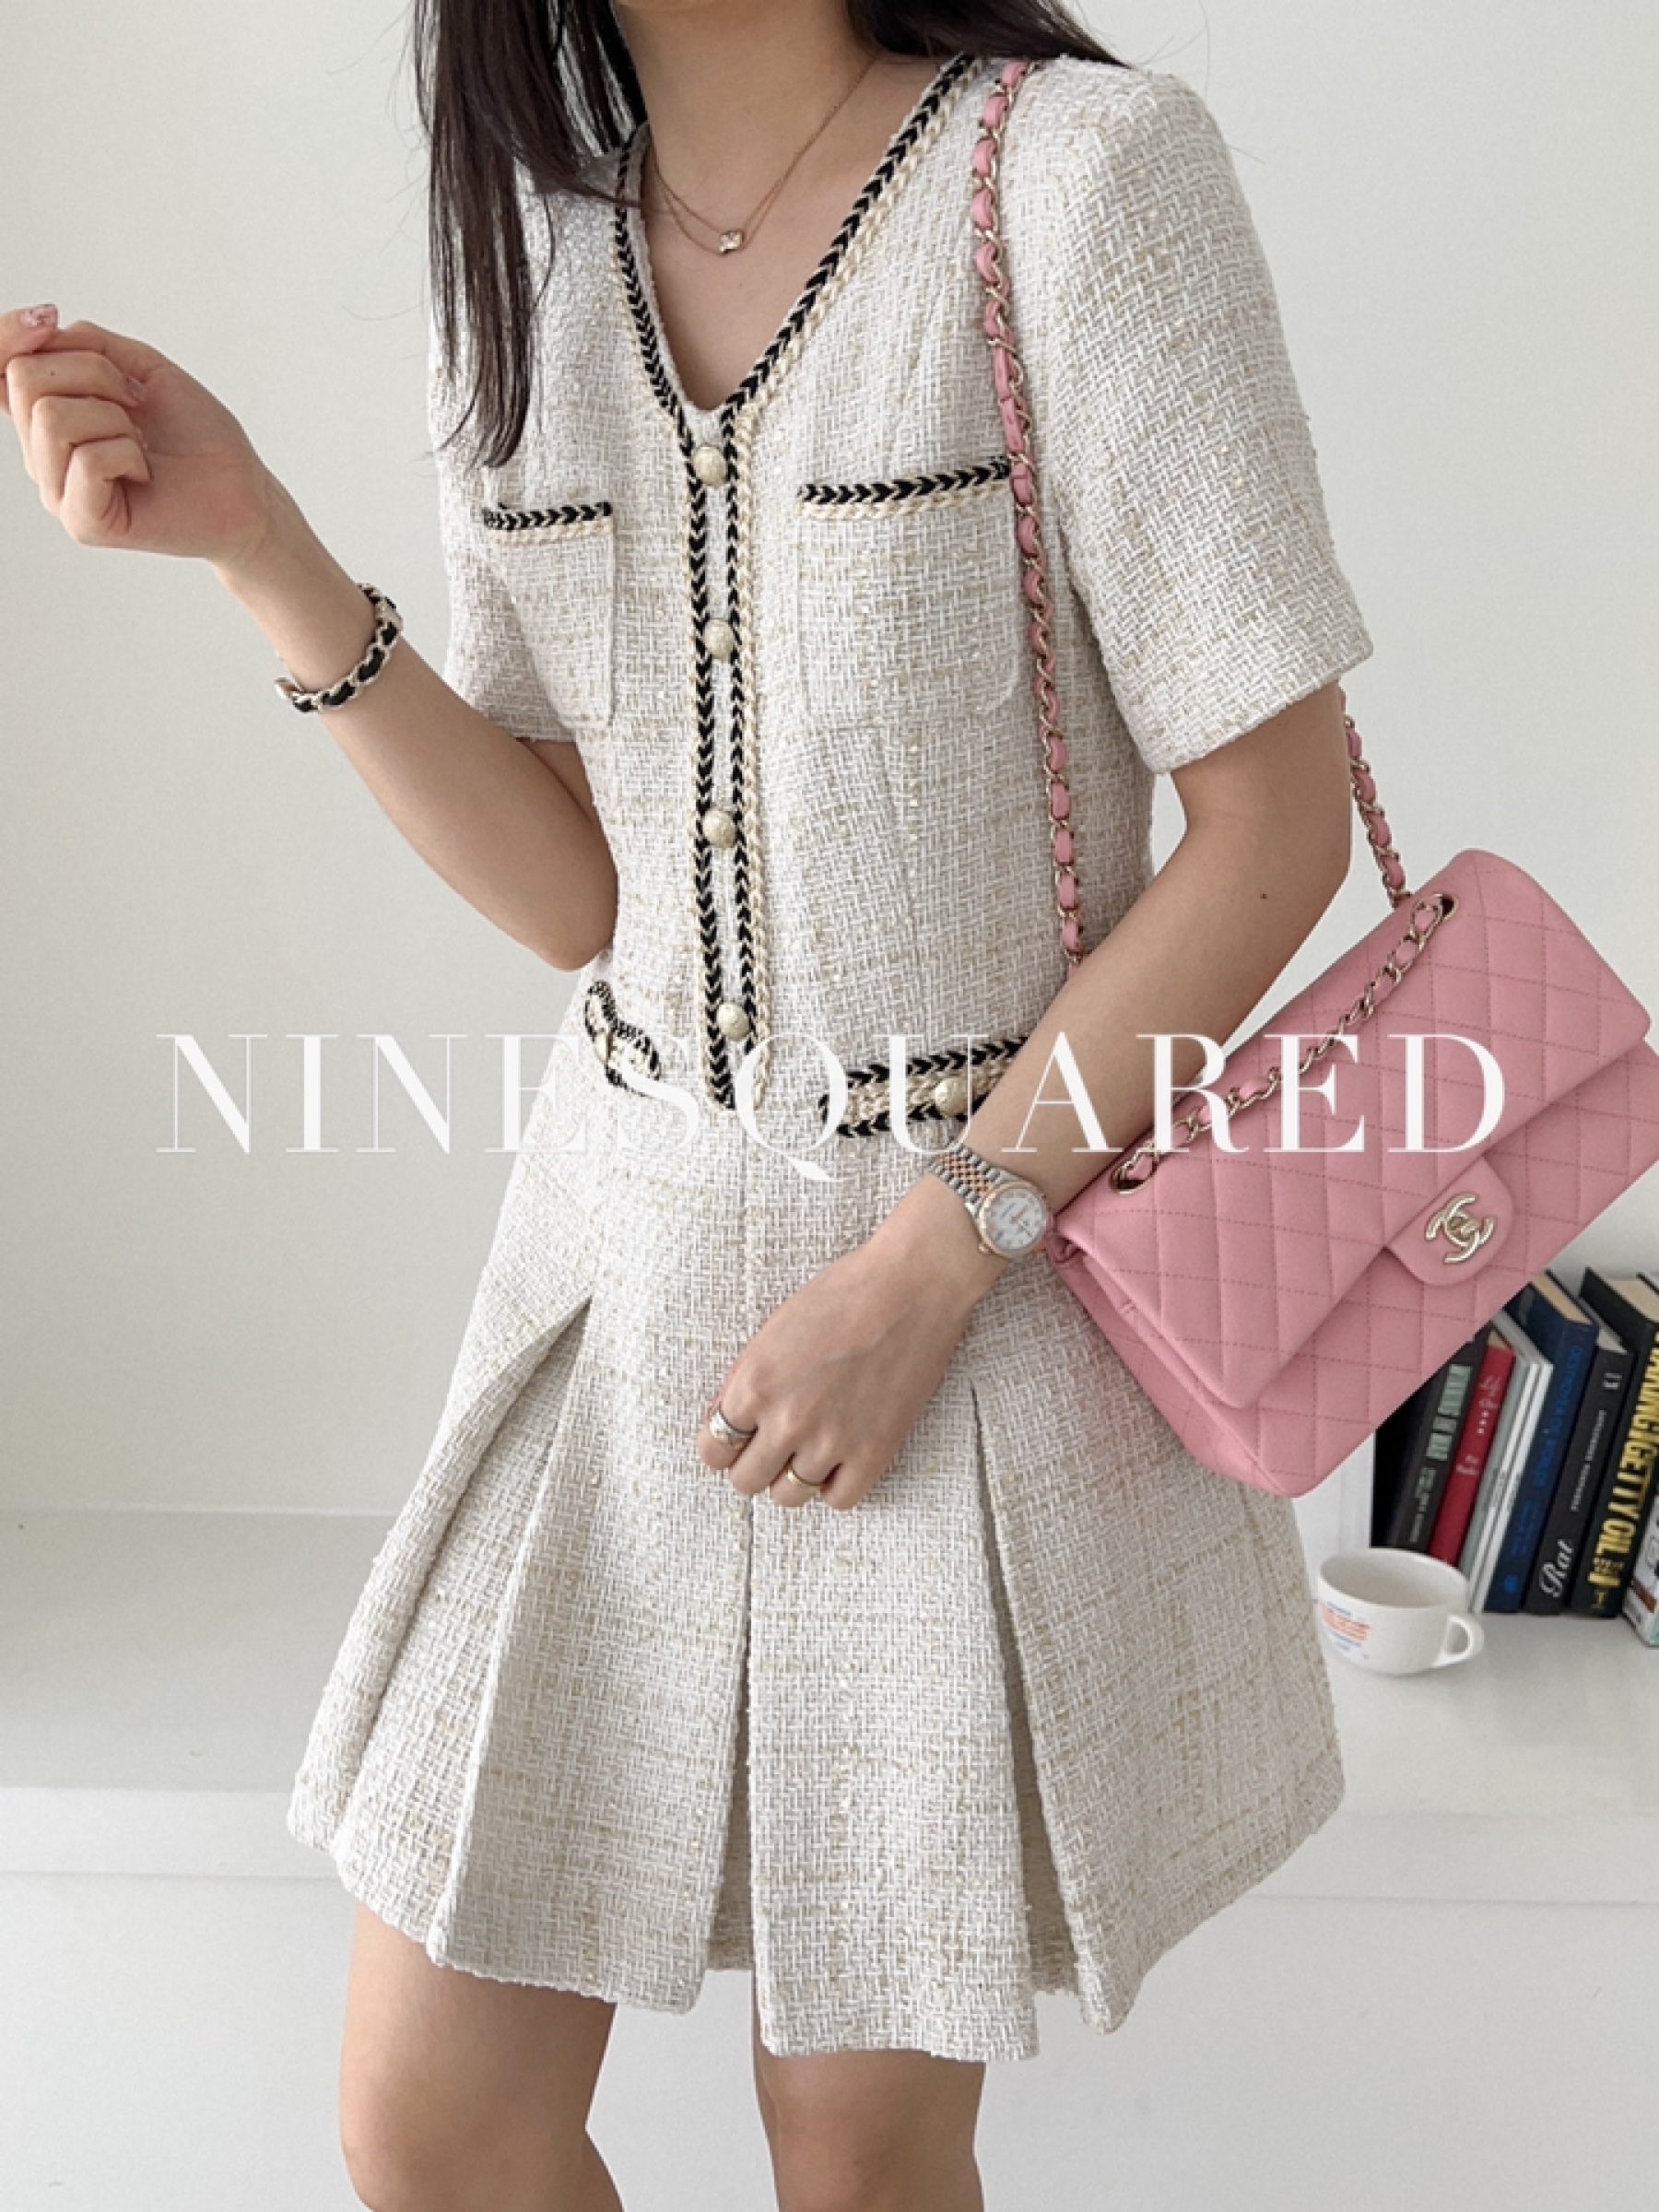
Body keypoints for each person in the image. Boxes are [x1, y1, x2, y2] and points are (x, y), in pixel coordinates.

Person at [2, 0, 1374, 2203]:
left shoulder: (1077, 179)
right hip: (613, 1291)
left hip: (968, 1307)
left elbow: (1272, 828)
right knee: (431, 2125)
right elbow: (579, 892)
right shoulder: (527, 259)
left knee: (853, 2153)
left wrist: (929, 1269)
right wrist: (262, 544)